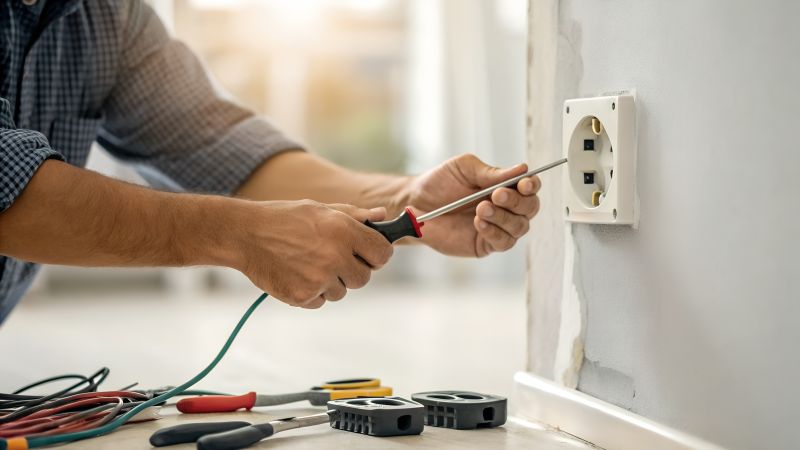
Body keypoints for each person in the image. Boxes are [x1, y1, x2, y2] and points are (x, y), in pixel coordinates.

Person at [0, 0, 541, 323]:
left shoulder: (108, 17)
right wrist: (242, 235)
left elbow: (220, 148)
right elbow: (10, 190)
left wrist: (405, 201)